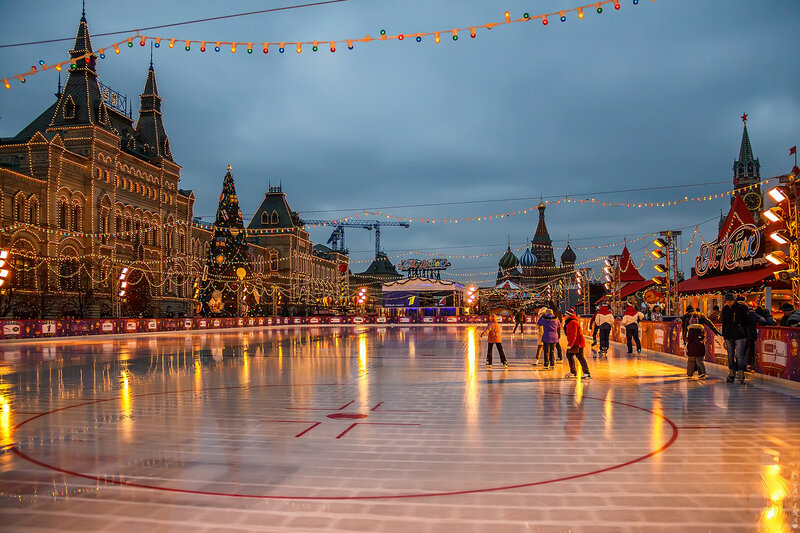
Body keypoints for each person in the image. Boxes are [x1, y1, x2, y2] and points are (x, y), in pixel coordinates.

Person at [682, 306, 721, 379]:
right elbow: (709, 323)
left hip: (691, 339)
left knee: (691, 358)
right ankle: (701, 372)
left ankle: (690, 373)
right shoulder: (701, 315)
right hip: (700, 337)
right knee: (699, 357)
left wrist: (684, 339)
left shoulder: (686, 316)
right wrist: (716, 331)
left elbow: (684, 328)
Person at [721, 293, 748, 384]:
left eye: (729, 301)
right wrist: (724, 333)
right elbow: (724, 322)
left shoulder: (741, 308)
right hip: (729, 335)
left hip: (740, 334)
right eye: (726, 301)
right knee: (730, 354)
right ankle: (731, 372)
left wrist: (744, 331)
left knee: (740, 355)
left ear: (733, 300)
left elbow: (747, 321)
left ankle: (741, 372)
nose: (728, 303)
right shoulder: (725, 309)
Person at [564, 308, 591, 379]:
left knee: (580, 357)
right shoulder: (569, 322)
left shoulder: (573, 323)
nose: (565, 316)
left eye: (566, 315)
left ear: (569, 315)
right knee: (569, 355)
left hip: (578, 343)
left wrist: (570, 344)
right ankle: (573, 371)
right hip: (574, 343)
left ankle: (586, 373)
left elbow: (574, 335)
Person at [744, 301, 765, 371]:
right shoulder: (753, 314)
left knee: (743, 350)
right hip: (750, 334)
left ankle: (741, 364)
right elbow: (762, 321)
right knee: (751, 350)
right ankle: (750, 364)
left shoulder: (742, 314)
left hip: (742, 335)